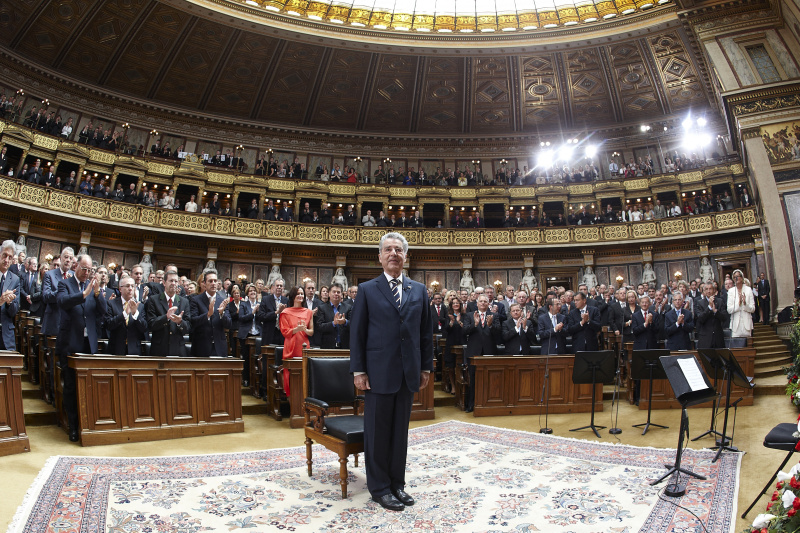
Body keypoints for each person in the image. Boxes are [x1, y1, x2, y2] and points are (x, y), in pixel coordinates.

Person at [349, 232, 433, 512]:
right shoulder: (367, 289)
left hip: (408, 373)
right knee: (377, 433)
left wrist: (425, 367)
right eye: (388, 250)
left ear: (405, 256)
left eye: (398, 250)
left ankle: (397, 484)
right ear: (380, 257)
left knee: (400, 433)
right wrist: (358, 370)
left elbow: (425, 334)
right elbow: (357, 334)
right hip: (377, 373)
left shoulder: (419, 290)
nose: (393, 254)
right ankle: (380, 488)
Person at [56, 254, 108, 441]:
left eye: (89, 270)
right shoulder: (66, 283)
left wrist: (95, 294)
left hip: (89, 344)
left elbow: (103, 311)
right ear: (76, 266)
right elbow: (61, 302)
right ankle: (73, 426)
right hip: (71, 343)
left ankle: (88, 424)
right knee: (70, 387)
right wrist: (83, 294)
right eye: (84, 269)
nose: (86, 273)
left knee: (89, 386)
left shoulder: (94, 287)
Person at [463, 294, 499, 412]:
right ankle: (471, 405)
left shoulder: (494, 316)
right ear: (477, 303)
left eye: (485, 301)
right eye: (481, 301)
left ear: (488, 304)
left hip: (489, 351)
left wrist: (490, 325)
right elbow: (464, 331)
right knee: (473, 380)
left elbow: (499, 333)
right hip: (474, 352)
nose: (483, 303)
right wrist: (475, 324)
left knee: (490, 379)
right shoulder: (469, 315)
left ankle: (489, 403)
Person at [146, 270, 191, 357]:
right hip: (159, 349)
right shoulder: (154, 300)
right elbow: (151, 324)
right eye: (171, 281)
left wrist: (179, 322)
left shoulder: (184, 302)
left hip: (178, 349)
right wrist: (166, 317)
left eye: (176, 281)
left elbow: (188, 327)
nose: (173, 283)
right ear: (164, 282)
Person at [279, 285, 314, 394]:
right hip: (291, 346)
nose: (300, 296)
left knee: (304, 375)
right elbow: (284, 332)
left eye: (302, 294)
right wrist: (296, 329)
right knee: (290, 375)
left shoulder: (309, 312)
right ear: (293, 296)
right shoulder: (285, 312)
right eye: (298, 294)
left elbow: (311, 332)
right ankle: (292, 403)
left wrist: (304, 330)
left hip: (303, 346)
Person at [189, 269, 231, 357]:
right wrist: (208, 314)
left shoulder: (222, 301)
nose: (213, 283)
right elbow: (193, 322)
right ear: (204, 283)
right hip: (201, 347)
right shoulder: (196, 300)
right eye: (210, 281)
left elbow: (229, 324)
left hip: (219, 347)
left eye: (215, 281)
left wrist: (221, 314)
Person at [104, 274, 147, 356]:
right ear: (120, 289)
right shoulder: (111, 304)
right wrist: (124, 314)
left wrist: (135, 314)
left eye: (132, 286)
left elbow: (144, 328)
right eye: (127, 286)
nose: (130, 289)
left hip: (134, 350)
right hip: (116, 349)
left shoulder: (140, 306)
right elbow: (108, 325)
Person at [444, 297, 470, 394]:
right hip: (451, 342)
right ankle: (453, 386)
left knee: (462, 365)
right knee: (451, 366)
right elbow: (446, 329)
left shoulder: (465, 315)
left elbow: (466, 329)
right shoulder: (449, 315)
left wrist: (459, 321)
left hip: (462, 342)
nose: (455, 305)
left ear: (460, 305)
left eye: (457, 303)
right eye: (453, 303)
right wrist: (451, 322)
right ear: (451, 305)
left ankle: (462, 386)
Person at [238, 284, 261, 387]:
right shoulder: (243, 304)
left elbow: (262, 318)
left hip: (258, 334)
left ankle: (257, 381)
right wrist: (252, 313)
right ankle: (246, 378)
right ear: (247, 293)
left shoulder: (260, 304)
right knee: (247, 358)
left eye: (254, 291)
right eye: (251, 291)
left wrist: (258, 312)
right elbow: (241, 318)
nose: (253, 292)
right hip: (246, 335)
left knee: (258, 359)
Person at [695, 281, 729, 349]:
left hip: (718, 338)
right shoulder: (699, 303)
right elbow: (700, 319)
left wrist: (715, 311)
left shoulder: (720, 301)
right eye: (706, 289)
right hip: (705, 338)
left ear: (714, 290)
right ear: (703, 291)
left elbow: (725, 317)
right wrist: (709, 308)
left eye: (710, 289)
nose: (708, 291)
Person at [0, 240, 20, 350]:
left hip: (6, 335)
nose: (6, 260)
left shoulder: (15, 279)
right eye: (4, 255)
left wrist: (9, 303)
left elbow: (14, 311)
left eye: (10, 257)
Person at [727, 269, 755, 348]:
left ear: (742, 278)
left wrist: (745, 304)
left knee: (748, 347)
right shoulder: (731, 291)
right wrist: (738, 304)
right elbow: (729, 310)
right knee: (736, 348)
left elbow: (753, 309)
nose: (736, 278)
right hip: (735, 325)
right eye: (734, 277)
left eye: (738, 276)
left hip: (747, 324)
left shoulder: (748, 290)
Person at [256, 277, 287, 345]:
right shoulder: (266, 299)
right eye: (277, 285)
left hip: (282, 334)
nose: (279, 287)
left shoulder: (286, 300)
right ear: (273, 287)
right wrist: (276, 312)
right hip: (269, 334)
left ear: (283, 288)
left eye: (281, 286)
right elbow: (261, 316)